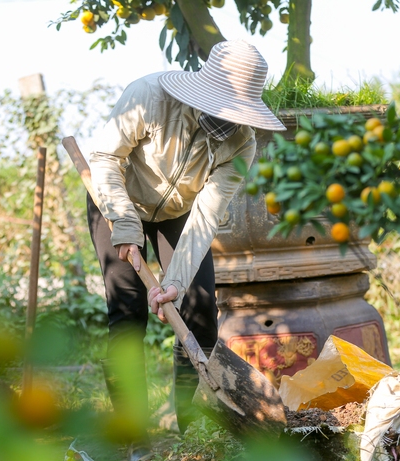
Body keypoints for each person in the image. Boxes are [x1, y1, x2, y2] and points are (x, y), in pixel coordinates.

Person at [85, 39, 285, 461]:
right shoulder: (150, 95)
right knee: (127, 314)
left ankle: (191, 424)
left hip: (179, 214)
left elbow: (205, 217)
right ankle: (134, 433)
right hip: (116, 202)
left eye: (239, 111)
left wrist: (173, 283)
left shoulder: (241, 146)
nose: (231, 120)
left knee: (199, 312)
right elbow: (104, 157)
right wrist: (123, 222)